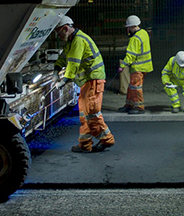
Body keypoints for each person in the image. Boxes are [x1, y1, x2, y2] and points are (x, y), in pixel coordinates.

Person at [54, 16, 115, 153]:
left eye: (59, 32)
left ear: (65, 28)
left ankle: (107, 140)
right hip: (88, 82)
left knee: (92, 114)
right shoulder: (72, 41)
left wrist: (63, 81)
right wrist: (57, 67)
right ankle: (85, 144)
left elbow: (73, 63)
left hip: (93, 81)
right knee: (84, 115)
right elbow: (65, 57)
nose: (58, 36)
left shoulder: (78, 41)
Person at [118, 15, 153, 114]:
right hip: (145, 66)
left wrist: (122, 66)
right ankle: (129, 104)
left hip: (137, 67)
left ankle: (139, 107)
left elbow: (130, 56)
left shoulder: (134, 39)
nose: (128, 30)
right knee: (132, 86)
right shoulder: (144, 33)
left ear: (132, 27)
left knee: (136, 87)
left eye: (128, 28)